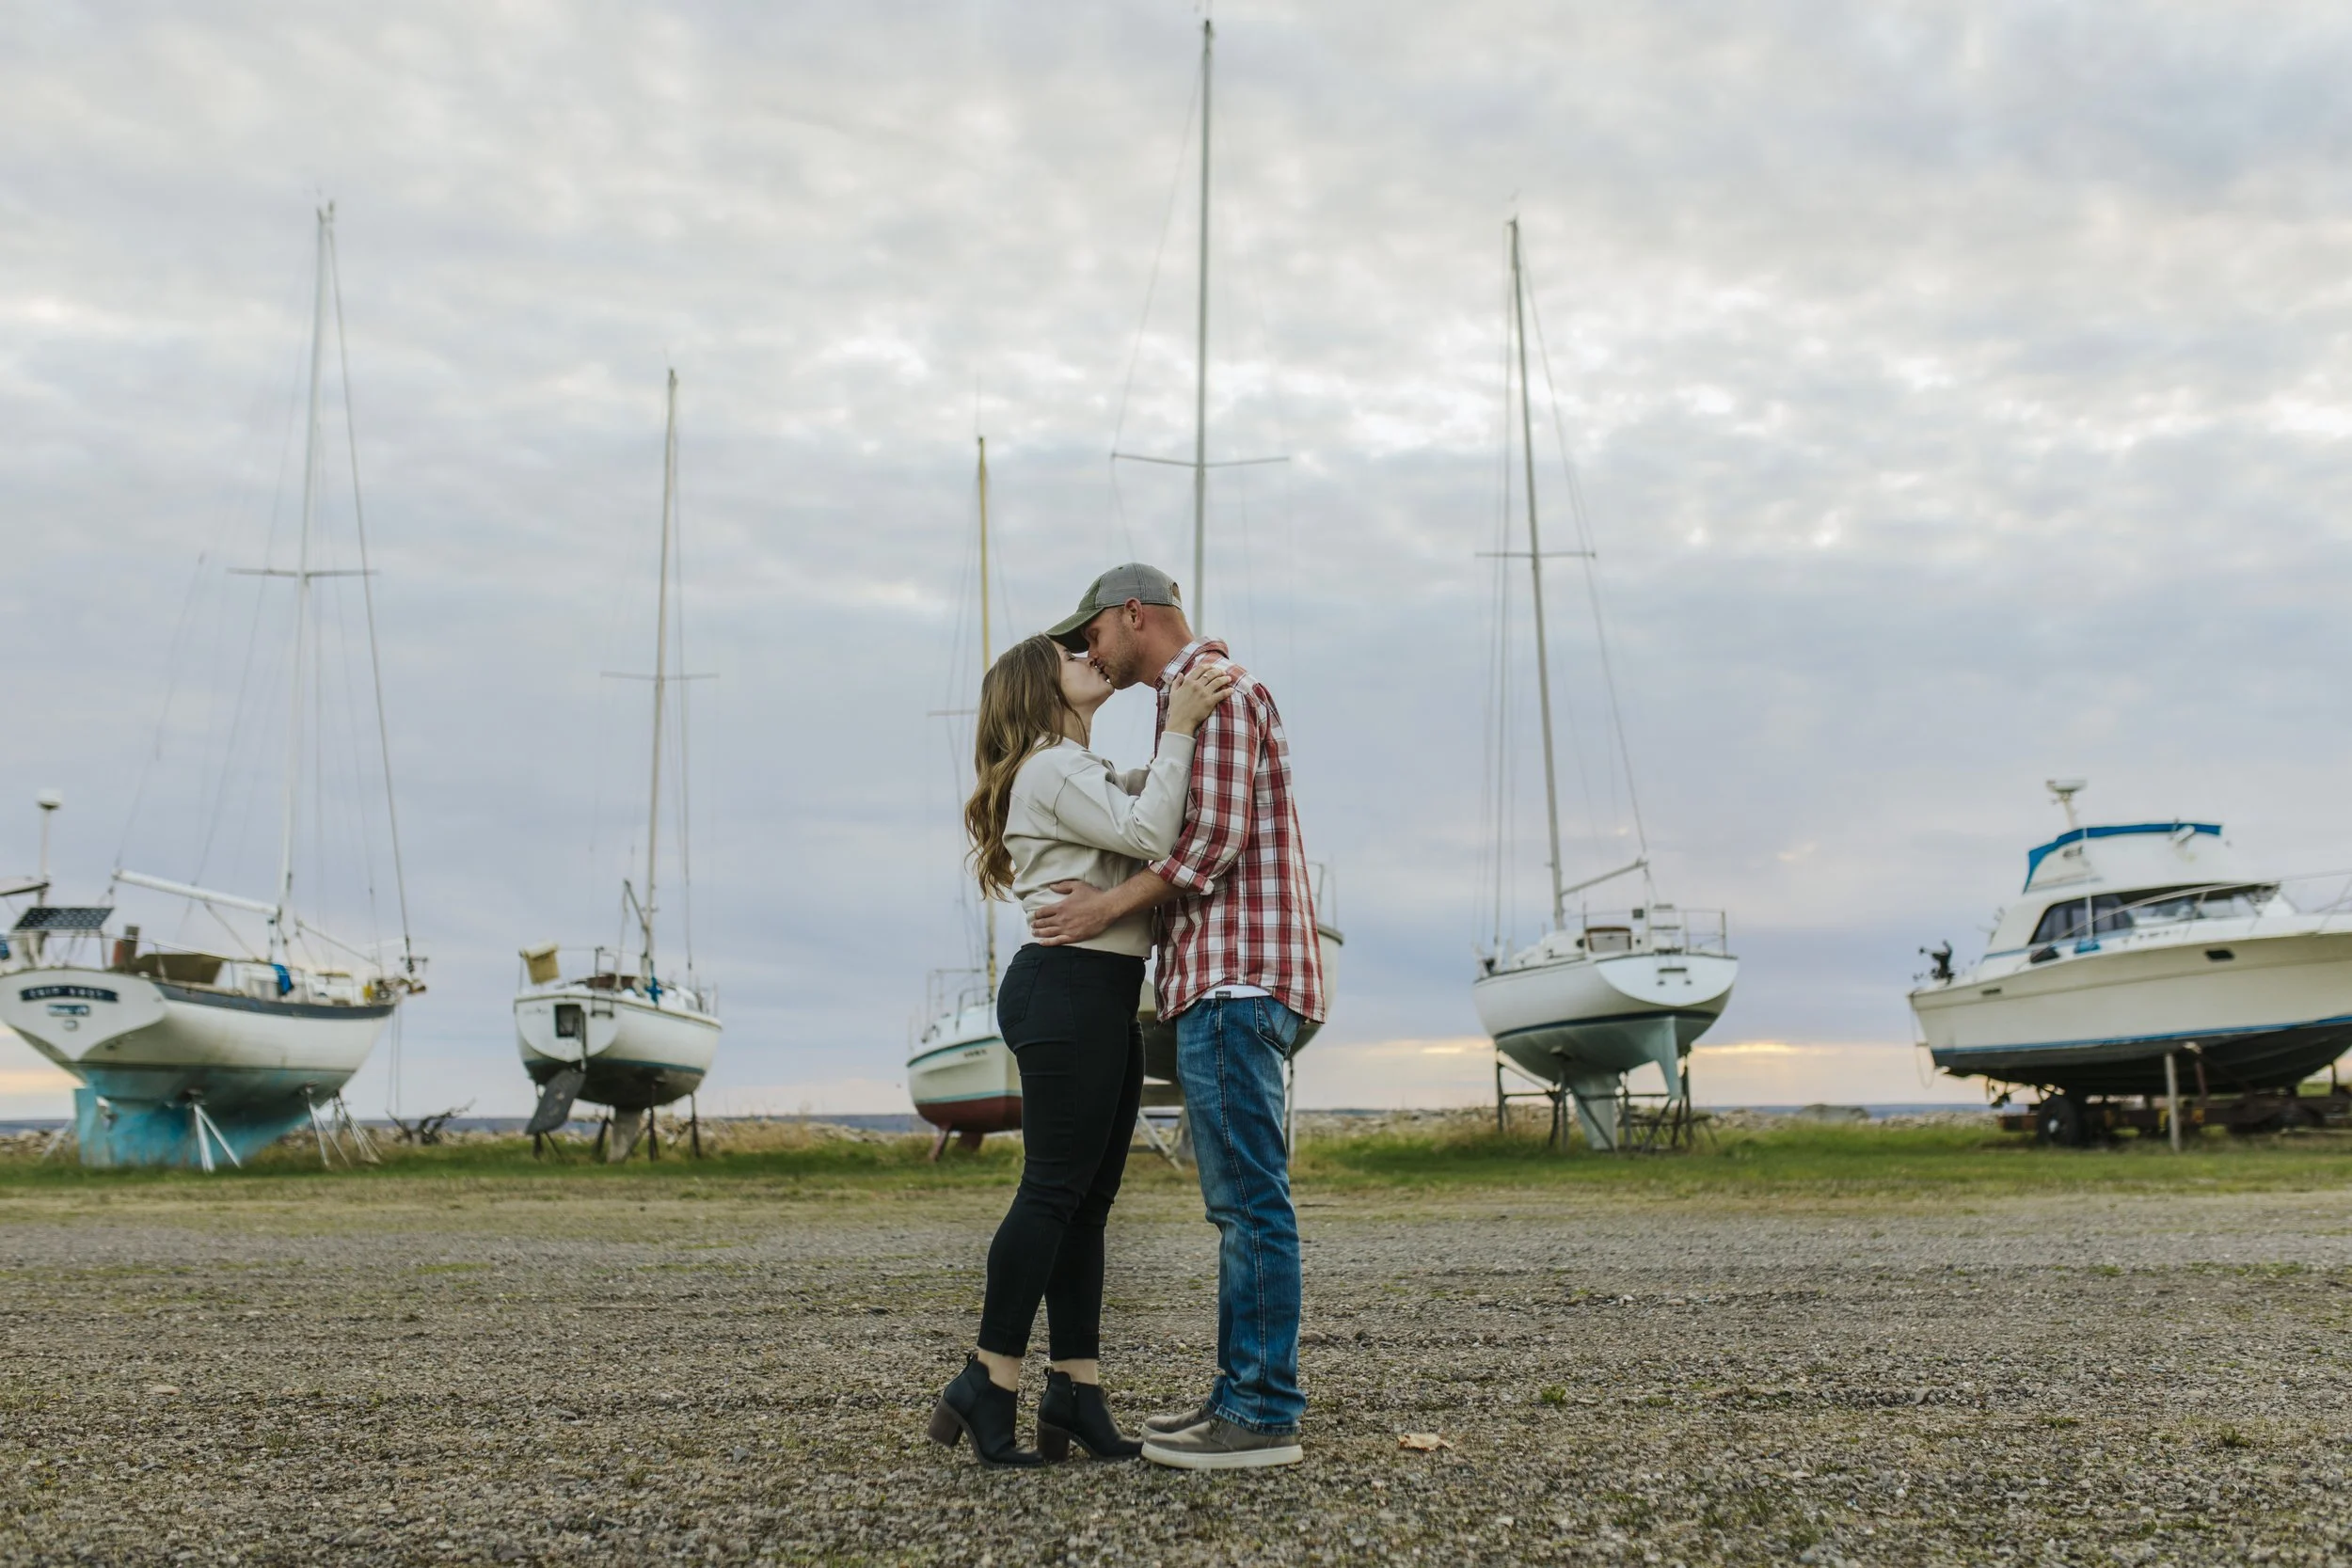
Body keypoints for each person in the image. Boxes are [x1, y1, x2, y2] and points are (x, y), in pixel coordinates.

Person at [1032, 562, 1327, 1471]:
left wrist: (1099, 910)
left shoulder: (1221, 694)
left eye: (1095, 634)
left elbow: (1209, 847)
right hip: (1219, 979)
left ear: (1133, 616)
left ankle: (1262, 1413)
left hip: (1238, 980)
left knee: (1249, 1205)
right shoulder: (1189, 703)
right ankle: (1240, 1396)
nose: (1090, 650)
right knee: (1239, 1203)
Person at [927, 631, 1234, 1468]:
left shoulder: (1075, 771)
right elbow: (1147, 829)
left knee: (1086, 1203)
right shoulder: (1050, 766)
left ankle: (1075, 1391)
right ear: (1040, 688)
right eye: (1068, 656)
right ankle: (987, 1380)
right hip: (1066, 986)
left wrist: (1183, 741)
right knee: (1053, 1189)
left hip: (1098, 990)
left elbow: (1149, 804)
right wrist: (1179, 727)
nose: (1088, 657)